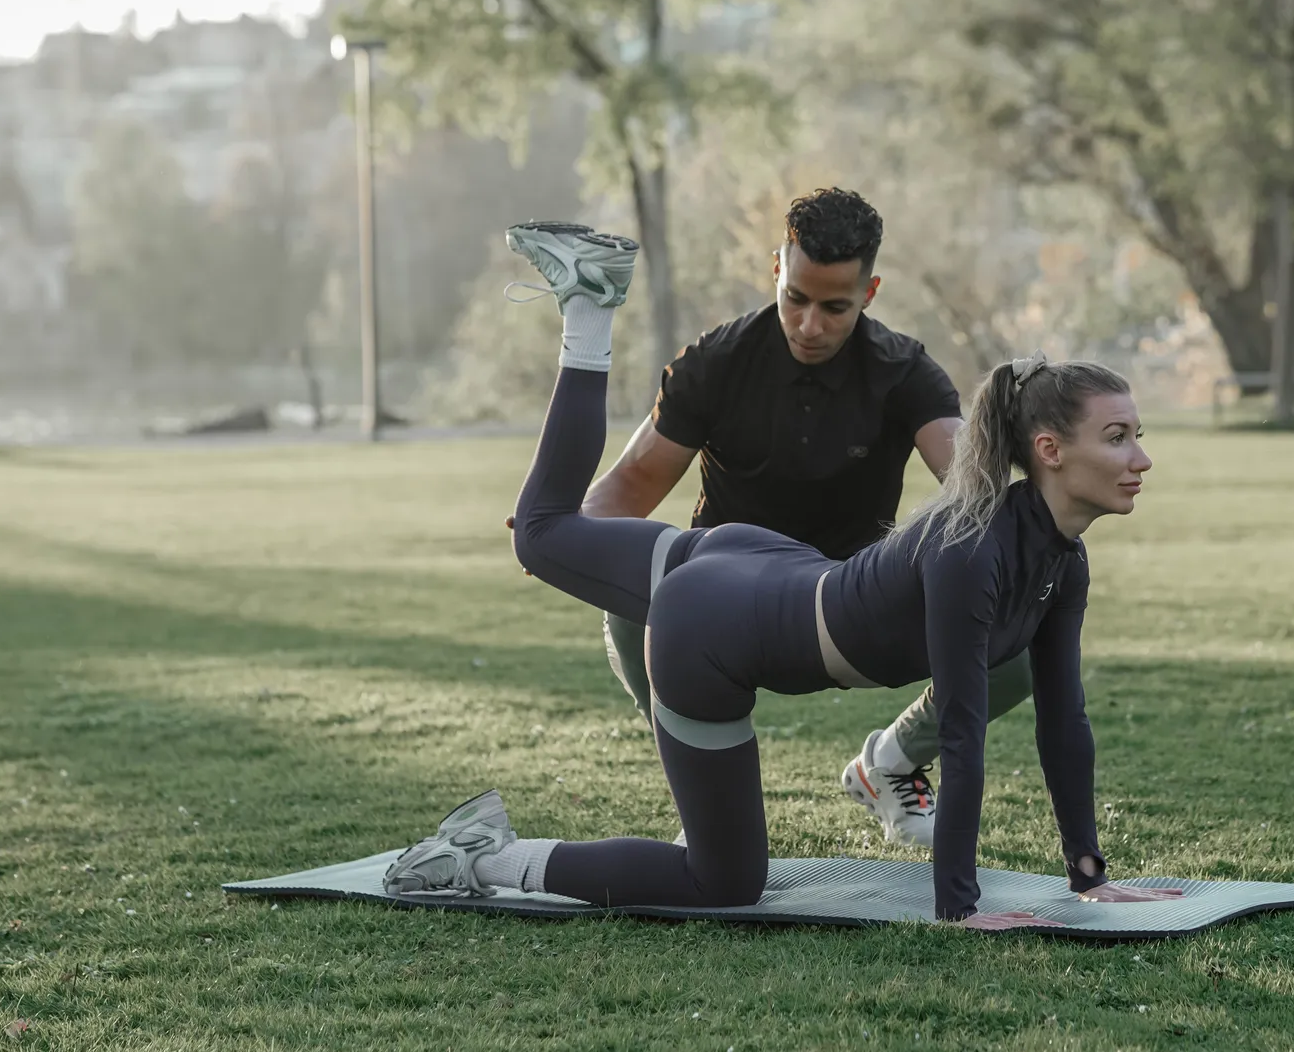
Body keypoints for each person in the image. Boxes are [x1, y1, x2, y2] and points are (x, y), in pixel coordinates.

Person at [388, 221, 1181, 925]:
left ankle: (589, 307)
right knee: (723, 882)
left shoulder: (1060, 561)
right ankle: (485, 860)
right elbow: (963, 736)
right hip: (712, 629)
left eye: (1137, 435)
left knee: (542, 534)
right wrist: (960, 908)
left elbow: (1064, 724)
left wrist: (1090, 878)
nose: (1141, 458)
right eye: (1119, 438)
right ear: (1049, 450)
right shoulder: (970, 549)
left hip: (754, 562)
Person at [561, 187, 1030, 849]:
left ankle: (891, 762)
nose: (810, 325)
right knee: (632, 605)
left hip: (853, 602)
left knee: (1023, 636)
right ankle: (704, 795)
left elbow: (968, 486)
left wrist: (1028, 536)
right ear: (776, 270)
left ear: (868, 294)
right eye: (796, 299)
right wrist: (562, 537)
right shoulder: (717, 362)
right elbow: (629, 486)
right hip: (727, 597)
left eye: (834, 308)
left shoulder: (904, 371)